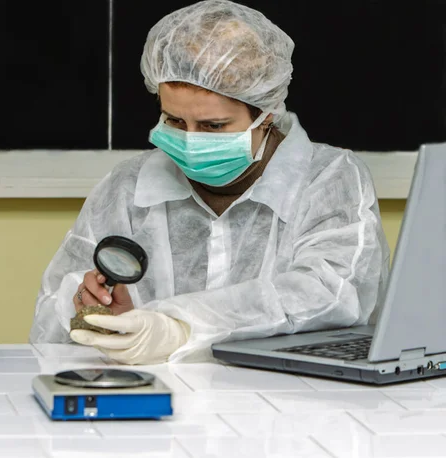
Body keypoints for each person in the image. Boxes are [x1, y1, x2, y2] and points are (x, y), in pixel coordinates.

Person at [29, 0, 390, 365]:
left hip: (288, 402)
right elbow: (53, 313)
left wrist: (181, 327)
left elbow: (333, 294)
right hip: (157, 399)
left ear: (265, 115)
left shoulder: (329, 179)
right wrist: (101, 317)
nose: (190, 140)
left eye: (213, 126)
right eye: (173, 120)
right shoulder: (127, 187)